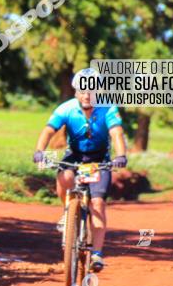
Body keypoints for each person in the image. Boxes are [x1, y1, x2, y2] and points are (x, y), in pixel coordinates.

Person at [32, 68, 127, 273]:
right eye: (82, 90)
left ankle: (97, 254)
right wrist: (39, 151)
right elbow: (49, 130)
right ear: (76, 92)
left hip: (99, 160)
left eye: (91, 91)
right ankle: (67, 211)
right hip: (75, 157)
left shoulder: (108, 108)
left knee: (97, 203)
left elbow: (117, 133)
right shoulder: (66, 108)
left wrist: (120, 156)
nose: (87, 95)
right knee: (64, 175)